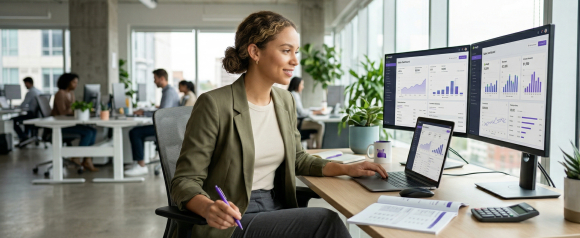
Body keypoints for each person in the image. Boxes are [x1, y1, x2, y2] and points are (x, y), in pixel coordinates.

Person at [171, 11, 388, 238]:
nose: (295, 60)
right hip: (233, 218)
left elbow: (298, 158)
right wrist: (207, 207)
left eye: (295, 52)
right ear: (255, 52)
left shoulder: (285, 100)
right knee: (324, 221)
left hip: (275, 206)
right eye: (286, 51)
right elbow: (184, 181)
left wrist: (347, 169)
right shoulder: (214, 104)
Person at [124, 69, 180, 176]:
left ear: (162, 79)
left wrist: (144, 112)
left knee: (135, 132)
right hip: (167, 126)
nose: (154, 81)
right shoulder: (168, 91)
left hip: (165, 129)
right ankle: (139, 163)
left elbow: (161, 113)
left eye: (155, 78)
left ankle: (141, 165)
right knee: (137, 131)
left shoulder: (168, 92)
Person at [52, 73, 98, 172]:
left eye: (77, 82)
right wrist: (77, 110)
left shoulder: (71, 94)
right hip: (61, 126)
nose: (76, 85)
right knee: (88, 132)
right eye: (74, 82)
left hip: (70, 123)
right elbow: (63, 112)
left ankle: (87, 159)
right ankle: (77, 157)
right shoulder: (60, 94)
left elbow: (72, 110)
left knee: (93, 130)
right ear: (67, 82)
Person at [287, 77, 325, 149]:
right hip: (297, 122)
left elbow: (300, 110)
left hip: (297, 120)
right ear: (297, 85)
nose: (303, 87)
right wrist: (315, 112)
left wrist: (312, 110)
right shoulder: (294, 95)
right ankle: (318, 148)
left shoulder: (293, 94)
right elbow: (301, 112)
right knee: (320, 125)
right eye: (302, 84)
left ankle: (311, 147)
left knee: (315, 124)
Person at [13, 77, 41, 143]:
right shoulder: (38, 91)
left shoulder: (30, 92)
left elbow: (23, 105)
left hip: (32, 116)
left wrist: (16, 107)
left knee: (13, 120)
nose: (25, 86)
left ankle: (23, 137)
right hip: (38, 116)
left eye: (25, 84)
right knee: (26, 117)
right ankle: (25, 137)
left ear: (27, 83)